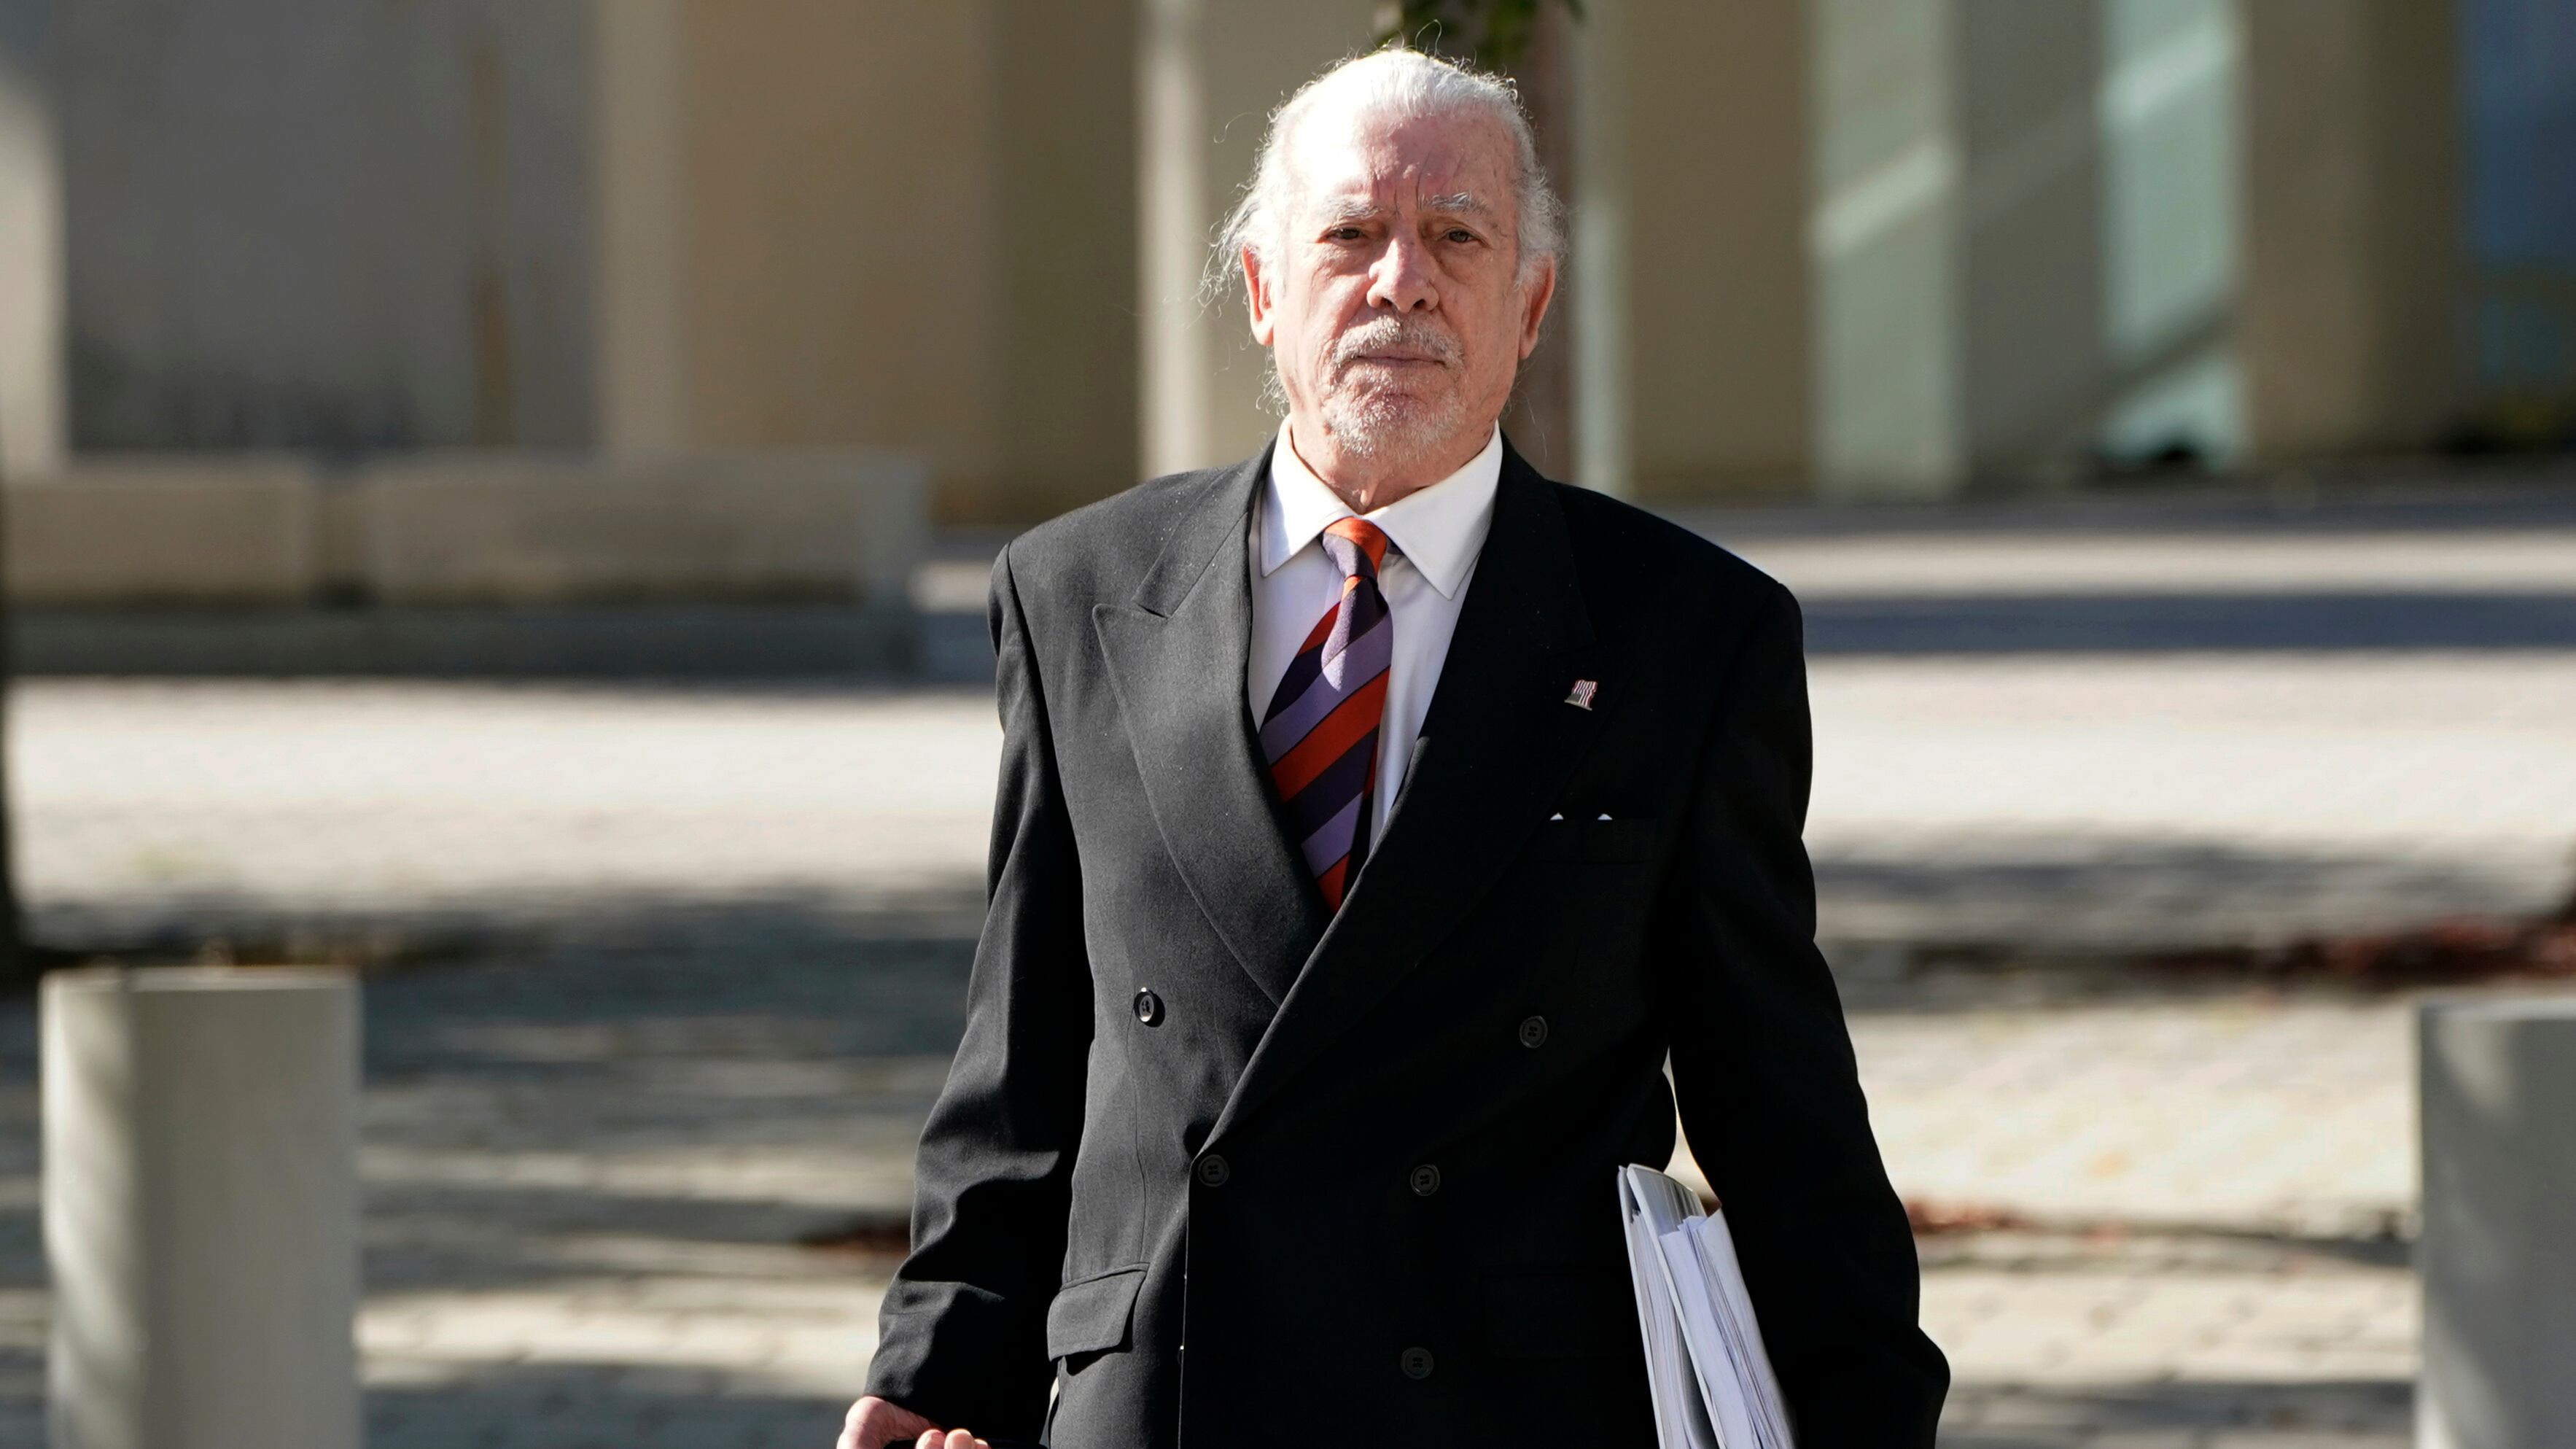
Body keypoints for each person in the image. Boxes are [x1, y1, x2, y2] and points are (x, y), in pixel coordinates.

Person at [838, 46, 1947, 1449]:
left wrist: (1864, 1410)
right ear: (1261, 290)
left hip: (1511, 1400)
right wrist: (938, 1371)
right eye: (1350, 233)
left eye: (1458, 237)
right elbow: (1025, 1052)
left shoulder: (1686, 630)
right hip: (1171, 1386)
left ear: (1528, 305)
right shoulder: (1078, 593)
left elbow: (1773, 1094)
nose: (1401, 281)